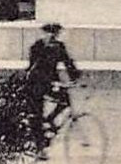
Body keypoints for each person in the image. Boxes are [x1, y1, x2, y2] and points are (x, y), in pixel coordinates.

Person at [26, 23, 81, 157]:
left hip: (43, 82)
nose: (51, 36)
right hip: (38, 83)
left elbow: (68, 64)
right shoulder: (45, 46)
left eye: (53, 33)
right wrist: (73, 78)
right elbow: (34, 67)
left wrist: (73, 78)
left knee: (63, 100)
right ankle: (40, 146)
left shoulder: (47, 46)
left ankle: (49, 123)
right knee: (37, 113)